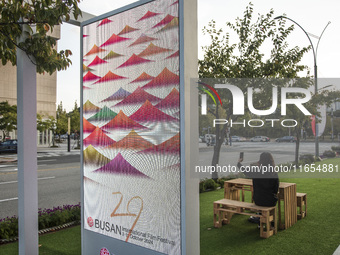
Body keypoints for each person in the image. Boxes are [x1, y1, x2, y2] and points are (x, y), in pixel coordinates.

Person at [237, 152, 279, 225]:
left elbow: (245, 171)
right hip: (271, 201)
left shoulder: (256, 171)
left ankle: (260, 219)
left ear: (261, 160)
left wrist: (239, 163)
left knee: (261, 197)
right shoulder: (274, 173)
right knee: (271, 198)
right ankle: (269, 220)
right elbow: (276, 189)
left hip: (258, 200)